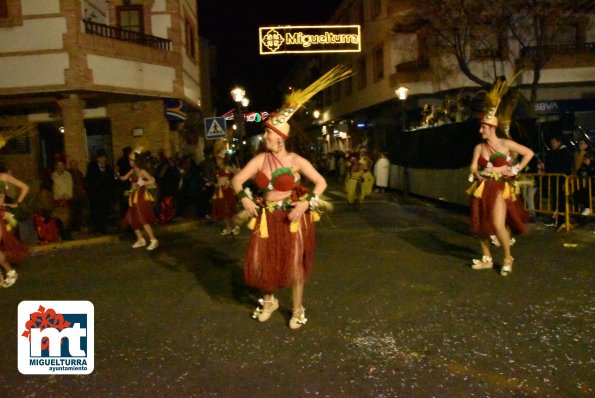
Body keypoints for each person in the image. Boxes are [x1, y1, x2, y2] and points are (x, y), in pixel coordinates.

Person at [231, 65, 348, 329]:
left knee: (294, 264)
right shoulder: (260, 159)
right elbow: (237, 179)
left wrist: (307, 203)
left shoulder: (296, 160)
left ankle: (297, 309)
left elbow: (321, 182)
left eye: (269, 135)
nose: (265, 138)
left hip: (293, 218)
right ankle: (269, 301)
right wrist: (245, 198)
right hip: (267, 217)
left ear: (281, 138)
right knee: (266, 261)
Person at [468, 113, 534, 276]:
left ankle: (507, 258)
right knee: (481, 224)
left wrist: (513, 169)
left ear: (491, 128)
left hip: (499, 187)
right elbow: (473, 167)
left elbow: (529, 153)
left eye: (483, 127)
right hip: (482, 186)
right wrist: (476, 173)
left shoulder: (506, 144)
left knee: (498, 224)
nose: (480, 130)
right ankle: (487, 258)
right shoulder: (479, 147)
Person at [118, 149, 159, 250]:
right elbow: (124, 178)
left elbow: (152, 180)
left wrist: (142, 183)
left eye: (131, 160)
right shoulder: (132, 171)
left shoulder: (142, 171)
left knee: (142, 218)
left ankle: (153, 240)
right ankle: (140, 239)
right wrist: (118, 175)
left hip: (141, 197)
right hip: (133, 197)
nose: (129, 162)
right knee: (131, 218)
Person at [0, 163, 30, 287]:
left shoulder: (3, 177)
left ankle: (9, 272)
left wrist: (17, 203)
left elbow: (25, 187)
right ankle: (8, 272)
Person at [543, 135, 573, 227]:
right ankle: (556, 218)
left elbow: (566, 167)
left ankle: (562, 219)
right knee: (555, 199)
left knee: (561, 200)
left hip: (562, 180)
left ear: (559, 142)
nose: (552, 145)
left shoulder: (565, 152)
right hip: (554, 179)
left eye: (554, 143)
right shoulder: (553, 152)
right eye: (551, 143)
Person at [85, 150, 116, 234]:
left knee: (105, 211)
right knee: (96, 212)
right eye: (101, 158)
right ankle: (97, 228)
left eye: (104, 158)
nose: (103, 160)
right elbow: (89, 180)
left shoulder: (108, 167)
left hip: (106, 194)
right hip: (96, 194)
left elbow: (111, 180)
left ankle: (104, 227)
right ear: (97, 159)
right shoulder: (92, 167)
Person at [211, 150, 240, 236]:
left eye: (219, 160)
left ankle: (235, 227)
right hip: (219, 191)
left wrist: (230, 182)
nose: (217, 161)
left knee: (229, 209)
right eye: (216, 160)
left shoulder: (227, 167)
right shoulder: (218, 169)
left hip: (227, 191)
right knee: (222, 210)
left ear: (223, 160)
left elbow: (238, 174)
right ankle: (228, 228)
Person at [51, 160, 73, 240]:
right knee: (59, 218)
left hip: (67, 198)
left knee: (67, 218)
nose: (60, 167)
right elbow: (53, 188)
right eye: (58, 165)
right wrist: (58, 196)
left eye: (62, 165)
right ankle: (61, 234)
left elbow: (70, 185)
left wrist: (68, 195)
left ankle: (67, 234)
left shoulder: (67, 175)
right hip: (58, 199)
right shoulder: (53, 176)